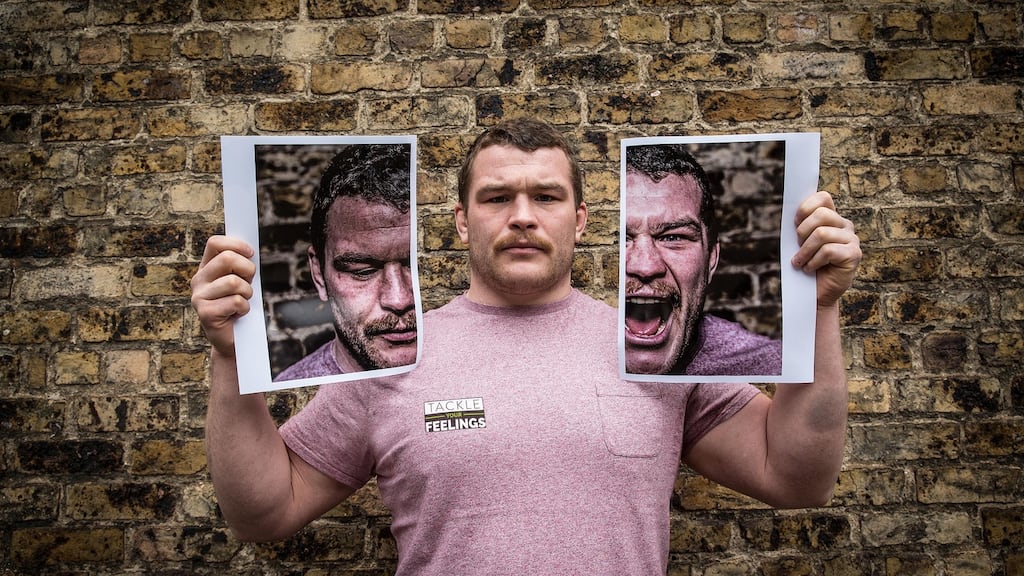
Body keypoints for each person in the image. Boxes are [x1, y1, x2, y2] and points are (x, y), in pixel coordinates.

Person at [190, 118, 861, 575]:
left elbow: (795, 475)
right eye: (496, 197)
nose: (521, 215)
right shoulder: (394, 352)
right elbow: (263, 512)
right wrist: (229, 357)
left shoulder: (656, 348)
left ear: (581, 220)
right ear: (459, 222)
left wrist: (819, 309)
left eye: (546, 195)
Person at [623, 143, 781, 376]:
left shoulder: (769, 365)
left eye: (673, 237)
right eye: (621, 239)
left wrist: (826, 304)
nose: (645, 267)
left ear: (711, 260)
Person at [274, 143, 417, 382]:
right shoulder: (285, 399)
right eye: (363, 272)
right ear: (319, 275)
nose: (399, 299)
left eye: (416, 266)